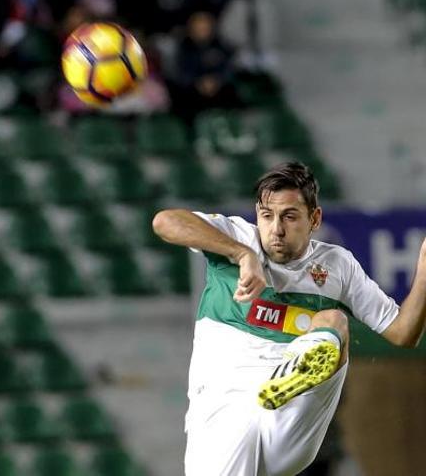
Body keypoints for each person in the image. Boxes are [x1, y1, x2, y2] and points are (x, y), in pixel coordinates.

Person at [151, 161, 426, 475]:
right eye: (267, 216)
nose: (276, 228)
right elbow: (165, 221)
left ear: (315, 219)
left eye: (290, 216)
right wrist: (242, 254)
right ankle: (297, 371)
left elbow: (403, 333)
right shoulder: (237, 236)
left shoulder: (337, 265)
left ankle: (295, 375)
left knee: (334, 320)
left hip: (292, 411)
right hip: (227, 406)